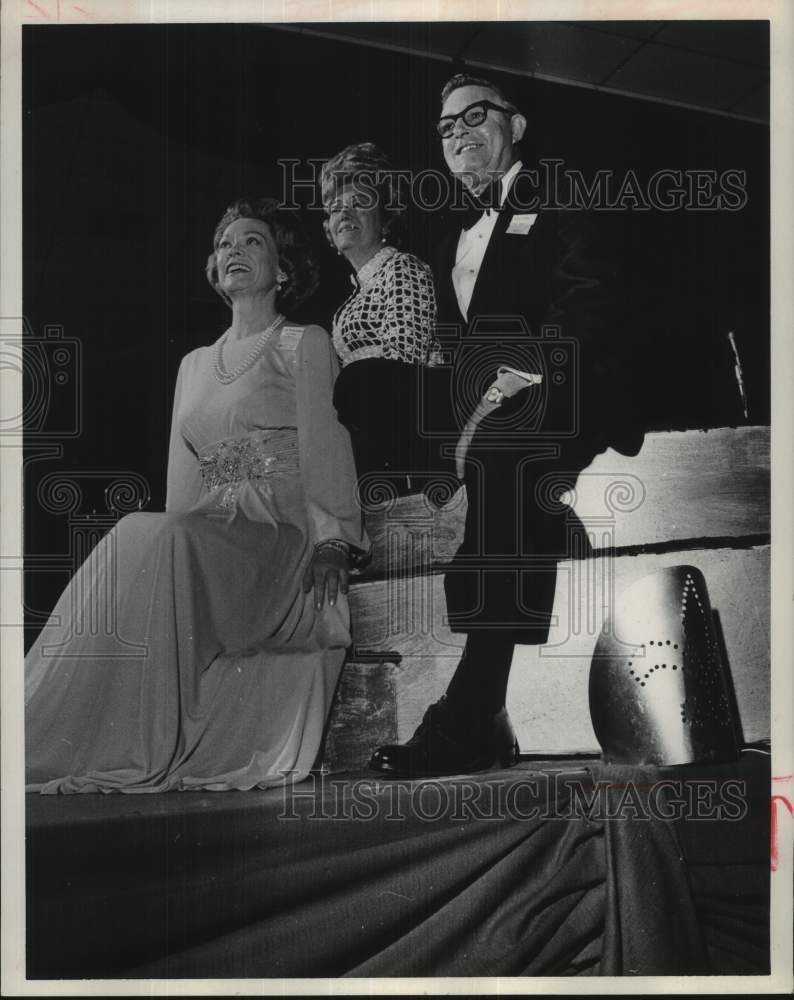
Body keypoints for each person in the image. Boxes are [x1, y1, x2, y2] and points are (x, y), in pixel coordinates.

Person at [25, 196, 368, 793]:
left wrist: (335, 539)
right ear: (214, 270)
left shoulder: (304, 342)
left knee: (157, 534)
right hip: (207, 533)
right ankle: (55, 738)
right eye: (224, 244)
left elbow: (326, 444)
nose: (234, 250)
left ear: (283, 269)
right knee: (146, 531)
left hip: (276, 534)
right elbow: (181, 492)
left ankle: (133, 740)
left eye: (252, 241)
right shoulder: (192, 365)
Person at [369, 73, 632, 778]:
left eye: (472, 116)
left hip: (571, 379)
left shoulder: (561, 188)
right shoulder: (453, 231)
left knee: (505, 450)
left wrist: (530, 374)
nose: (456, 132)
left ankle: (475, 706)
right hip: (496, 403)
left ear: (516, 126)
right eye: (445, 127)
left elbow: (589, 298)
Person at [321, 142, 439, 498]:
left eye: (360, 203)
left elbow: (403, 368)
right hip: (367, 447)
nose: (346, 214)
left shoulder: (403, 268)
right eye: (336, 208)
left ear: (385, 217)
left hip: (407, 449)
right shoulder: (347, 303)